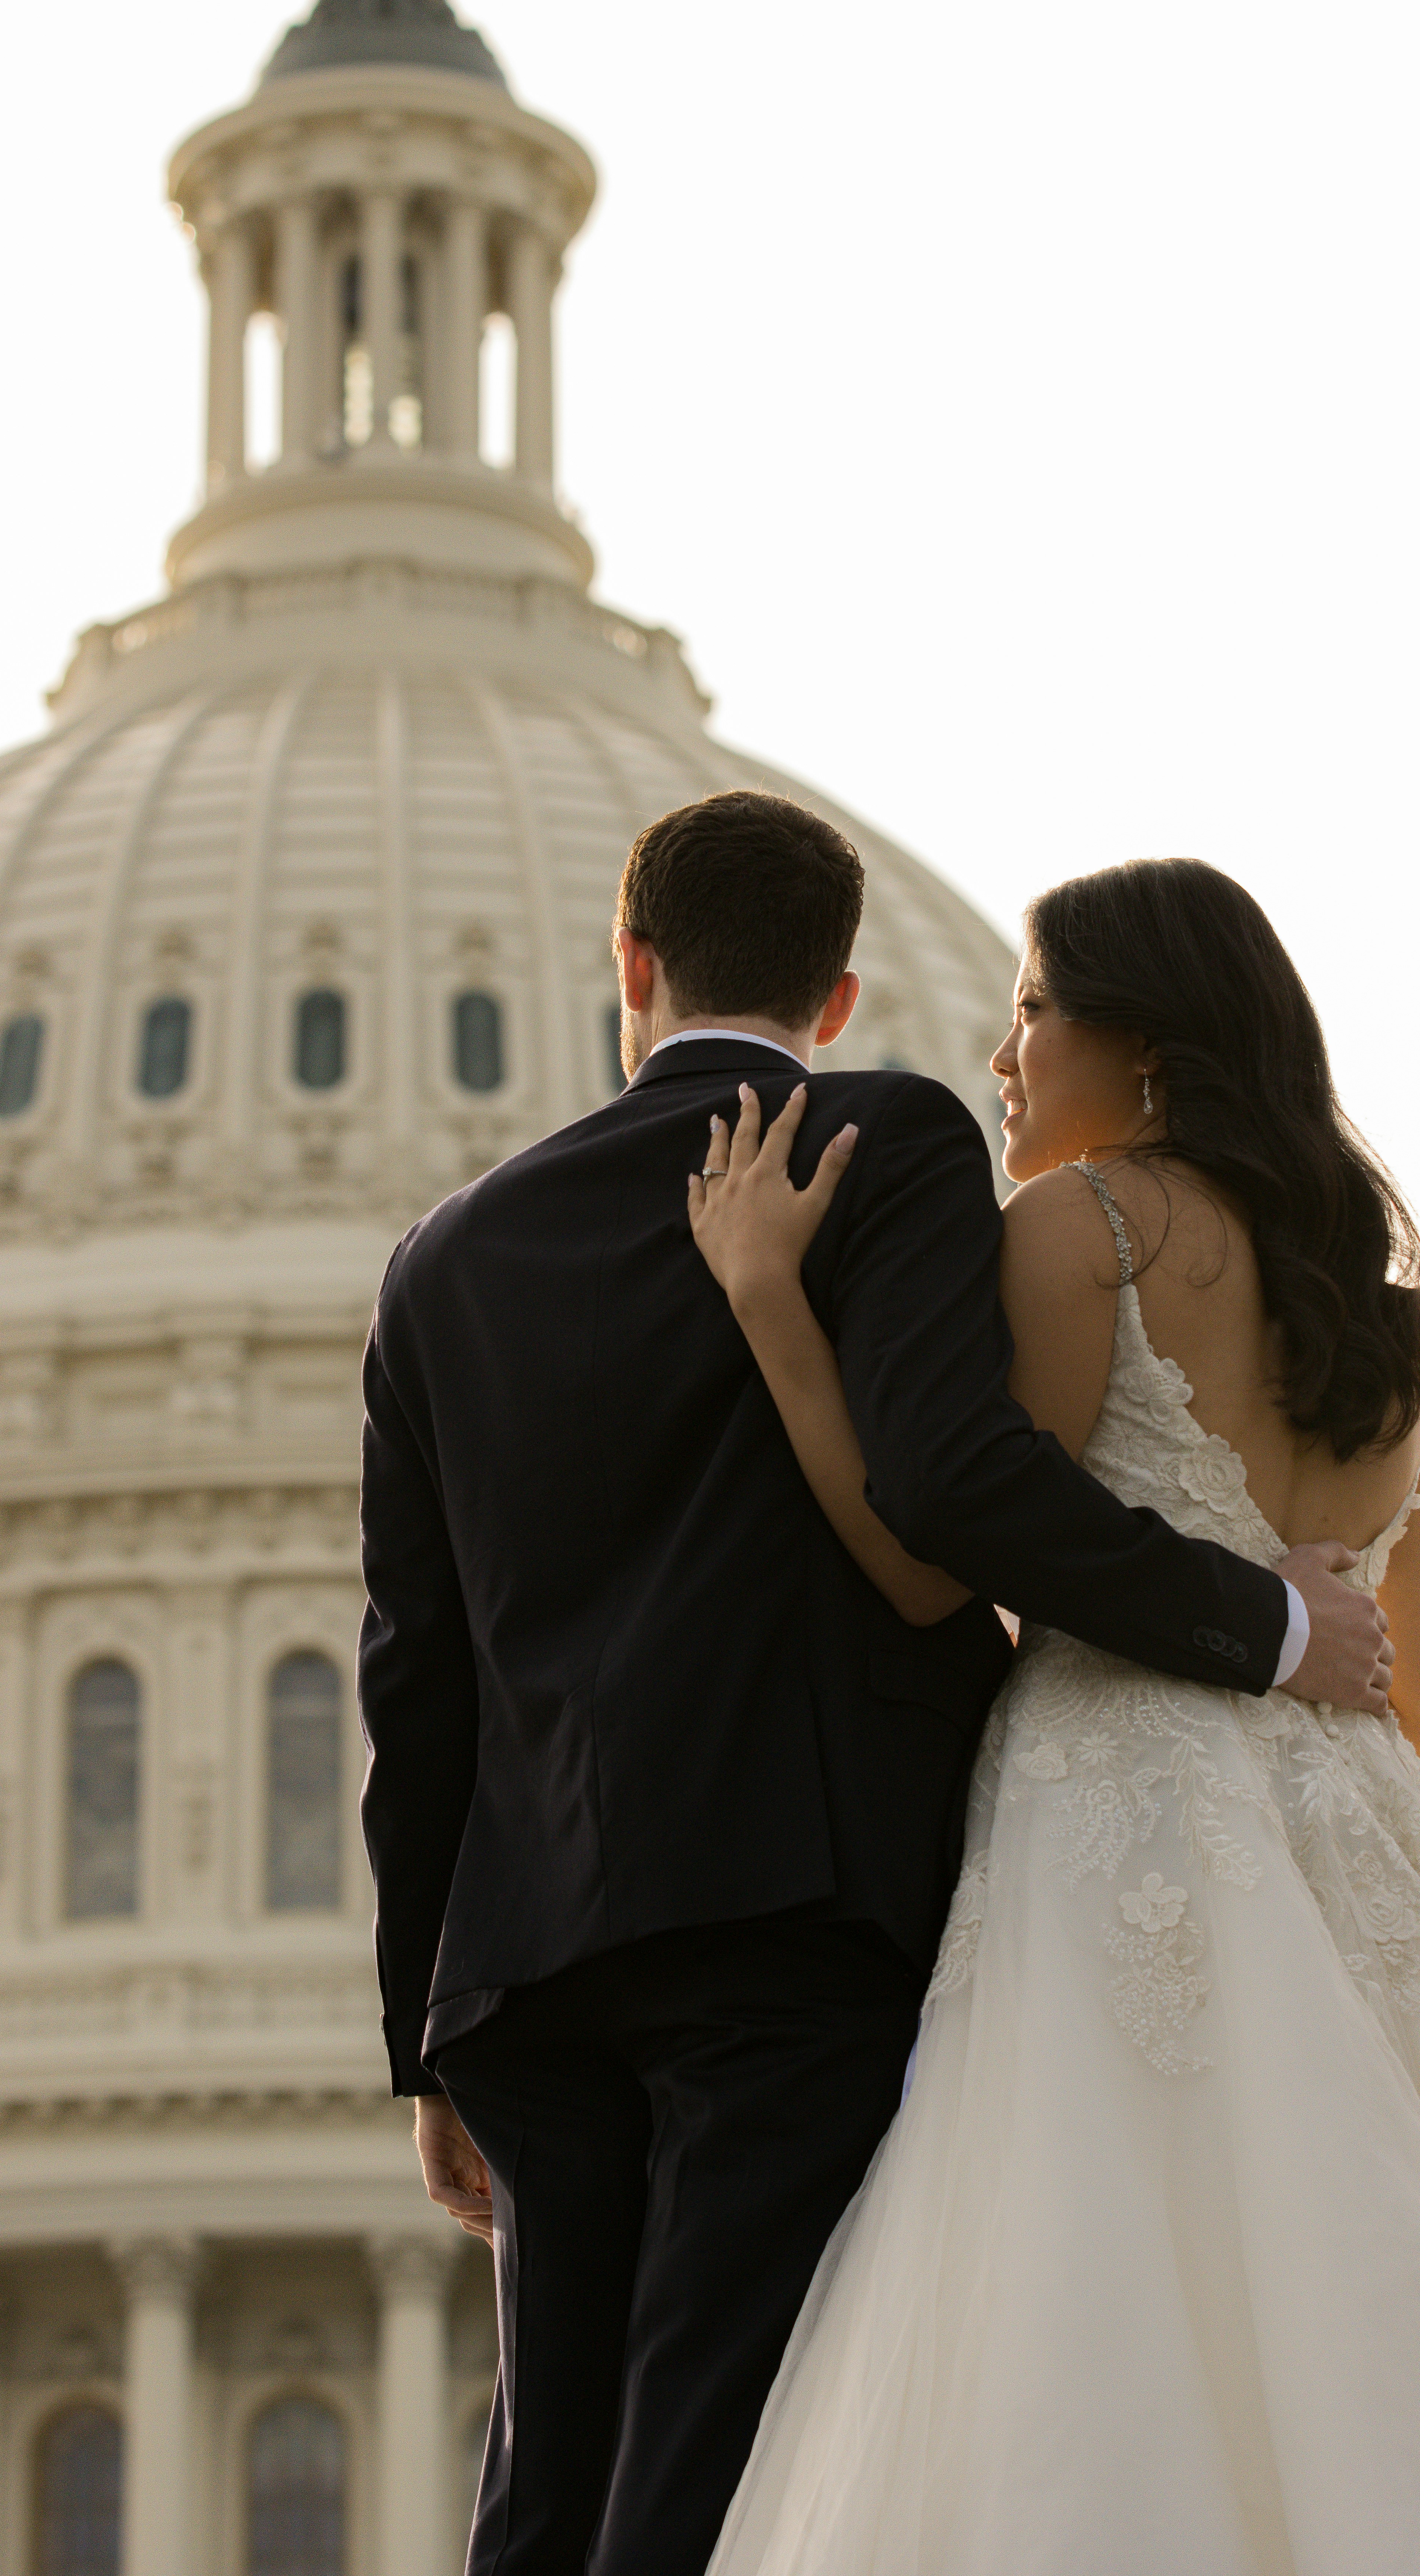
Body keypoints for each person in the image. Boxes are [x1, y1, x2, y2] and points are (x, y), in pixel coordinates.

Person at [356, 799, 1389, 2576]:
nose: (996, 1050)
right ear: (839, 994)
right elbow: (954, 1495)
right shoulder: (887, 1139)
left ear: (631, 960)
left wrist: (424, 2031)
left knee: (550, 2486)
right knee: (717, 2453)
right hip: (796, 1900)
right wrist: (1275, 1627)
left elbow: (413, 1671)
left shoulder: (443, 1257)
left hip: (529, 1947)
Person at [692, 856, 1420, 2576]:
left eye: (1029, 1008)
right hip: (1357, 1822)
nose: (1001, 1054)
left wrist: (773, 1312)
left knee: (1086, 2290)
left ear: (1143, 1049)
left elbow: (938, 1553)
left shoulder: (1082, 1228)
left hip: (1116, 1815)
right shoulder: (1391, 1323)